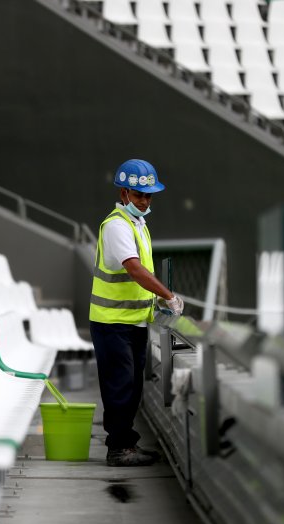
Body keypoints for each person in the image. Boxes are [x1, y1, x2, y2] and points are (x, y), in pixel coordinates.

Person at [90, 159, 184, 467]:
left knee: (131, 386)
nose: (144, 201)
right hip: (112, 323)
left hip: (132, 322)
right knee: (121, 386)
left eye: (148, 196)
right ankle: (118, 448)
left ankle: (125, 443)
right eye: (138, 194)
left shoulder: (138, 225)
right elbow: (134, 269)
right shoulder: (118, 225)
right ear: (124, 193)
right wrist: (167, 296)